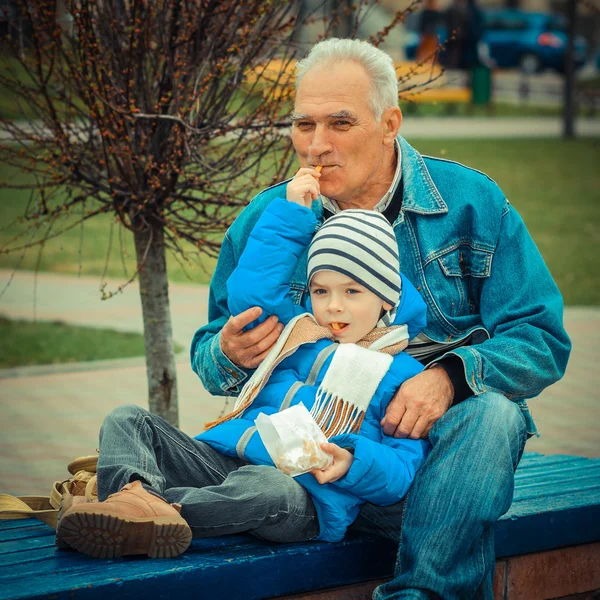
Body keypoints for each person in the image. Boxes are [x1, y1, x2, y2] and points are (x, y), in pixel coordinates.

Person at [191, 38, 571, 599]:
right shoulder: (267, 220)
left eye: (340, 123)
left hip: (438, 465)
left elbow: (540, 336)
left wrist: (447, 379)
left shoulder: (472, 202)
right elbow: (207, 350)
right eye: (304, 125)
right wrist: (227, 354)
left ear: (389, 122)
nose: (317, 146)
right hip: (314, 463)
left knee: (492, 413)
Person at [56, 198, 430, 557]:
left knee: (265, 489)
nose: (333, 305)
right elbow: (252, 292)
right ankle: (129, 501)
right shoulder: (297, 334)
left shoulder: (404, 376)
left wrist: (353, 461)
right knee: (129, 418)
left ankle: (138, 511)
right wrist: (293, 214)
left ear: (386, 299)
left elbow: (401, 471)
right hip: (228, 460)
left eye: (352, 291)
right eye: (320, 290)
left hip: (303, 495)